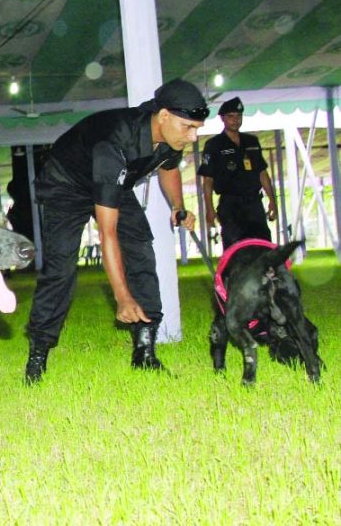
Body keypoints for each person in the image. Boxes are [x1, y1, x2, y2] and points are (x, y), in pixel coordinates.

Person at [24, 78, 209, 384]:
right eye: (188, 127)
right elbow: (107, 234)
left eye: (197, 128)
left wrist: (178, 206)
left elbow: (168, 168)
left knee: (140, 248)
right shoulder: (114, 143)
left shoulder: (167, 138)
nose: (192, 136)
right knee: (61, 268)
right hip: (65, 185)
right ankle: (38, 355)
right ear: (163, 116)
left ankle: (145, 352)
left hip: (113, 182)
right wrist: (122, 297)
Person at [198, 97, 278, 249]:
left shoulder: (252, 142)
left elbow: (262, 173)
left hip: (254, 203)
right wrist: (209, 209)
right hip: (230, 205)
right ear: (222, 118)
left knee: (263, 246)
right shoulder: (214, 145)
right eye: (231, 117)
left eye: (238, 116)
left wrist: (272, 200)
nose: (235, 120)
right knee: (234, 248)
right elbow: (207, 180)